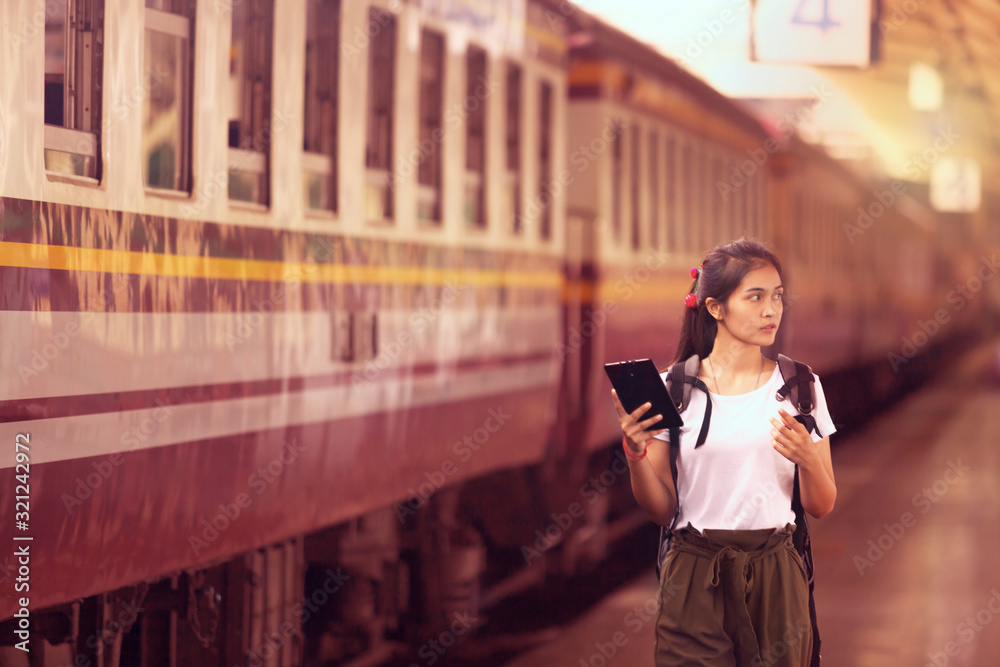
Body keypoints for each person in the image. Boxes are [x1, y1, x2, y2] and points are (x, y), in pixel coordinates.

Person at [611, 238, 837, 667]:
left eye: (777, 297)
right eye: (755, 297)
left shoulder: (800, 388)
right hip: (693, 572)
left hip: (776, 574)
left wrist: (807, 458)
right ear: (715, 307)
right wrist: (636, 453)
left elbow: (822, 505)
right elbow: (661, 510)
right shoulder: (671, 390)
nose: (771, 310)